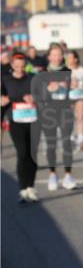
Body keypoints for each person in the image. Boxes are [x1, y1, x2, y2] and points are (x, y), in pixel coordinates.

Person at [32, 44, 77, 191]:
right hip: (48, 112)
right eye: (54, 55)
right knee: (51, 144)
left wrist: (74, 87)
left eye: (59, 54)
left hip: (65, 111)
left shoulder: (69, 72)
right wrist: (48, 90)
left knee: (66, 143)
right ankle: (52, 175)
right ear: (49, 56)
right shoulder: (41, 74)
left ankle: (68, 175)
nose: (57, 57)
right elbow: (36, 95)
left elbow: (75, 92)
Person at [2, 51, 40, 202]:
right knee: (22, 153)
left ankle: (31, 187)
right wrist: (2, 101)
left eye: (22, 66)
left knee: (32, 155)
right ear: (12, 65)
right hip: (15, 121)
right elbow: (2, 98)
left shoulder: (33, 78)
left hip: (33, 121)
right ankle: (23, 189)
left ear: (26, 65)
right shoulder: (5, 80)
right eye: (17, 66)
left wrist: (34, 98)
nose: (20, 69)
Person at [66, 50, 83, 152]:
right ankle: (70, 138)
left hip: (80, 96)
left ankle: (81, 139)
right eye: (67, 58)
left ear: (76, 59)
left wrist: (81, 84)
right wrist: (70, 84)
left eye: (70, 58)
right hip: (69, 97)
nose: (69, 60)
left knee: (80, 118)